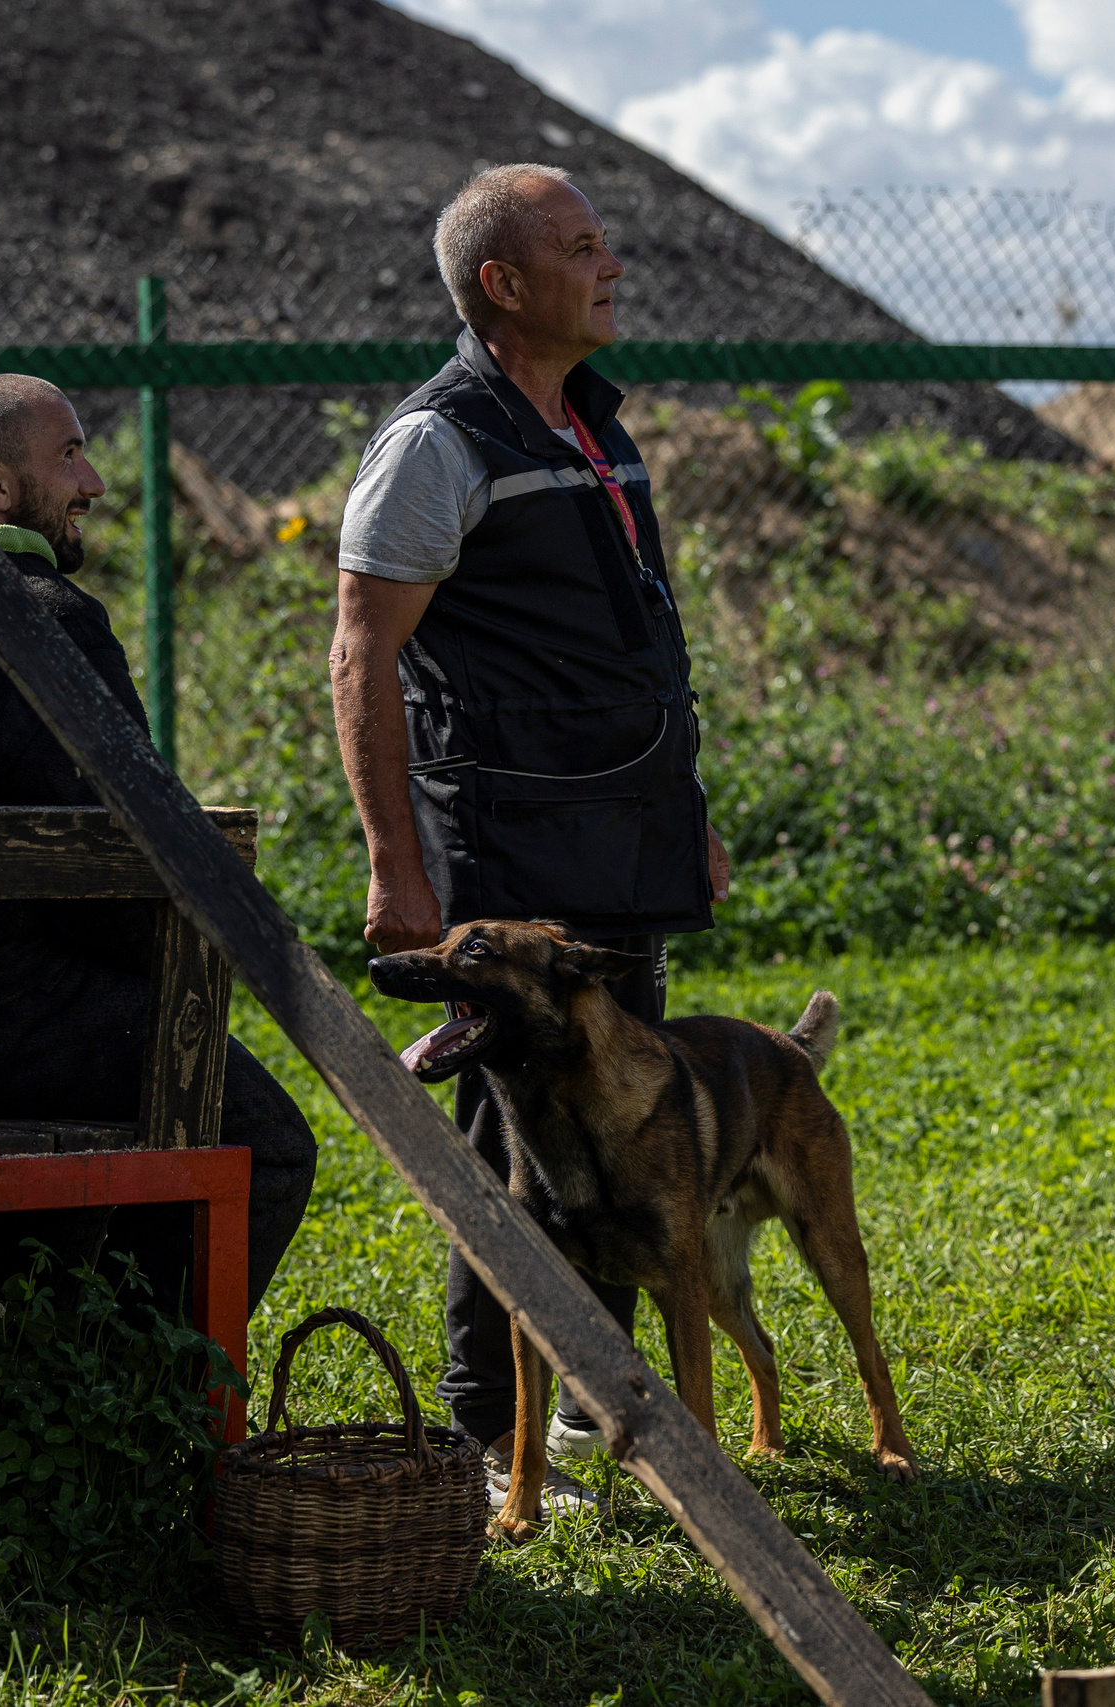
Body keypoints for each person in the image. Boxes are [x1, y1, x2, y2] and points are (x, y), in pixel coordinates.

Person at [328, 165, 731, 1489]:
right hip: (510, 855)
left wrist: (686, 816)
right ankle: (485, 1425)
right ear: (503, 284)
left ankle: (586, 1398)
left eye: (605, 242)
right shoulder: (435, 443)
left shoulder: (598, 425)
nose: (612, 265)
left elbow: (637, 653)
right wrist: (396, 864)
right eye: (582, 246)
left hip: (623, 838)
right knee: (516, 1147)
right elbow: (361, 656)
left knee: (623, 1117)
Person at [0, 373, 317, 1329]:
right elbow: (125, 867)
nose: (94, 482)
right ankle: (129, 1386)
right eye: (69, 456)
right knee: (264, 1141)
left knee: (107, 1073)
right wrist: (180, 972)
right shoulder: (42, 619)